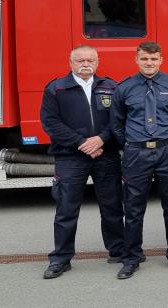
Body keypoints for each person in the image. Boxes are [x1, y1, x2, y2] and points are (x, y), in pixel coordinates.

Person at [111, 41, 168, 279]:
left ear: (161, 60)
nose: (149, 63)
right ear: (136, 60)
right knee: (134, 209)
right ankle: (131, 258)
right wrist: (129, 142)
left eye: (153, 59)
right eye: (144, 59)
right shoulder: (124, 88)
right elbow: (116, 124)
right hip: (137, 153)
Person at [41, 45, 124, 279]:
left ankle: (118, 250)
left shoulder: (111, 86)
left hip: (105, 154)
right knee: (66, 209)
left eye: (90, 60)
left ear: (97, 62)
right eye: (80, 60)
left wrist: (101, 140)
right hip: (70, 157)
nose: (85, 64)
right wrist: (82, 143)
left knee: (113, 206)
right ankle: (61, 258)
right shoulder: (56, 88)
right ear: (70, 63)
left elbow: (118, 120)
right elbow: (50, 123)